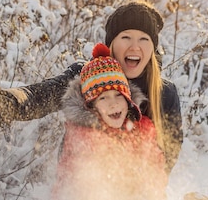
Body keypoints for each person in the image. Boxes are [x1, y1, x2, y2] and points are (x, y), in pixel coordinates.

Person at [0, 0, 183, 173]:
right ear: (112, 44)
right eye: (126, 37)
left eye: (144, 39)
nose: (134, 46)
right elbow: (46, 93)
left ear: (152, 47)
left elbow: (169, 149)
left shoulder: (164, 93)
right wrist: (14, 101)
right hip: (79, 182)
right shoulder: (88, 76)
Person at [52, 45, 167, 199]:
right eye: (103, 98)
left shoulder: (143, 128)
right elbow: (82, 183)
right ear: (92, 107)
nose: (113, 103)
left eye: (118, 95)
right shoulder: (85, 136)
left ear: (128, 99)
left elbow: (156, 166)